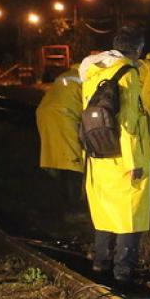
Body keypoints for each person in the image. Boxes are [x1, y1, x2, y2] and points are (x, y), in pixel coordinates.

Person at [79, 26, 150, 284]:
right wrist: (135, 163)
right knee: (129, 214)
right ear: (138, 49)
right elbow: (128, 123)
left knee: (104, 211)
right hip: (123, 156)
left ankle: (101, 262)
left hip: (98, 153)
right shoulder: (127, 74)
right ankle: (124, 270)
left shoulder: (92, 73)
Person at [35, 64, 85, 202]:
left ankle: (56, 186)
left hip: (44, 113)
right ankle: (73, 203)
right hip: (63, 116)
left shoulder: (68, 74)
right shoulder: (88, 77)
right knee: (72, 159)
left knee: (55, 153)